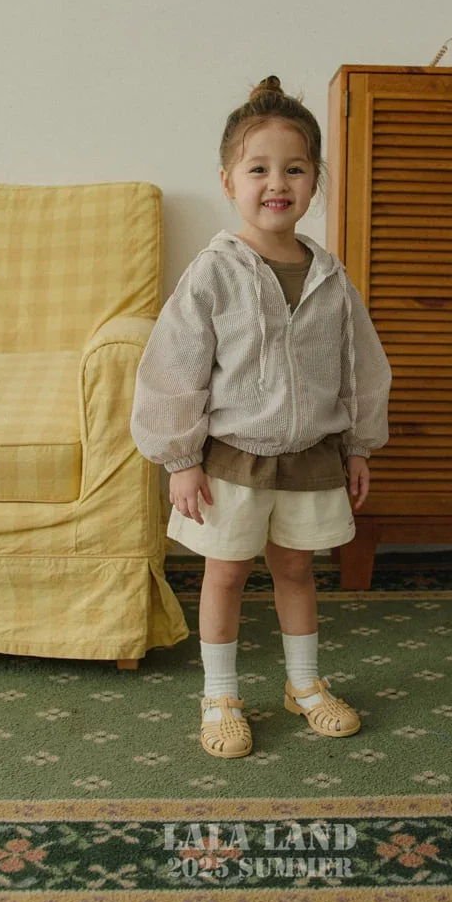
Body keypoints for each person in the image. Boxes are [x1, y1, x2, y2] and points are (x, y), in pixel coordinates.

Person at [130, 75, 392, 759]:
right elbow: (174, 367)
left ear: (315, 180)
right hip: (231, 459)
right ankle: (220, 696)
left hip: (310, 457)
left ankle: (303, 685)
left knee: (297, 571)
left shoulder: (331, 277)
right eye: (259, 169)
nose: (278, 183)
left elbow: (361, 366)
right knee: (225, 574)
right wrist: (180, 459)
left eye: (295, 169)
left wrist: (359, 445)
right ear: (228, 181)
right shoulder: (213, 273)